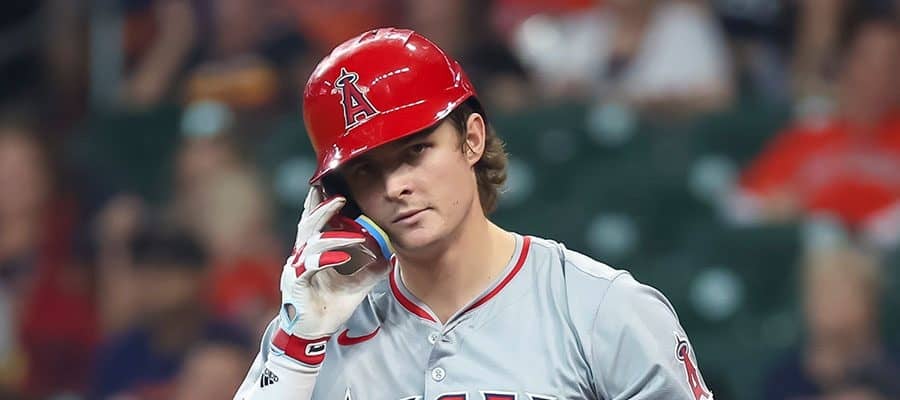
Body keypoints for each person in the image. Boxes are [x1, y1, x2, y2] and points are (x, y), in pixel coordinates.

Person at [234, 28, 712, 399]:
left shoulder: (601, 309)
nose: (395, 186)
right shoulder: (315, 336)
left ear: (472, 139)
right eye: (365, 171)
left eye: (415, 151)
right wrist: (298, 346)